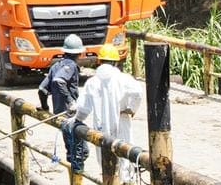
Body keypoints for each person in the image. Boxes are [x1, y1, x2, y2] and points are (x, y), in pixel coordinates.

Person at [64, 43, 145, 175]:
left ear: (99, 62)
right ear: (115, 62)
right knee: (126, 161)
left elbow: (83, 109)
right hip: (121, 123)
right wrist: (130, 108)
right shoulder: (124, 79)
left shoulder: (92, 82)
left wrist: (76, 121)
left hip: (101, 129)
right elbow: (137, 93)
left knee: (106, 165)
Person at [38, 34, 85, 164]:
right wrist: (70, 101)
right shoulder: (70, 65)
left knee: (71, 148)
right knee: (80, 151)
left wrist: (44, 107)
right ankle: (76, 180)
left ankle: (73, 176)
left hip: (60, 113)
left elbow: (42, 89)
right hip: (69, 114)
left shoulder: (55, 66)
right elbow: (59, 81)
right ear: (79, 53)